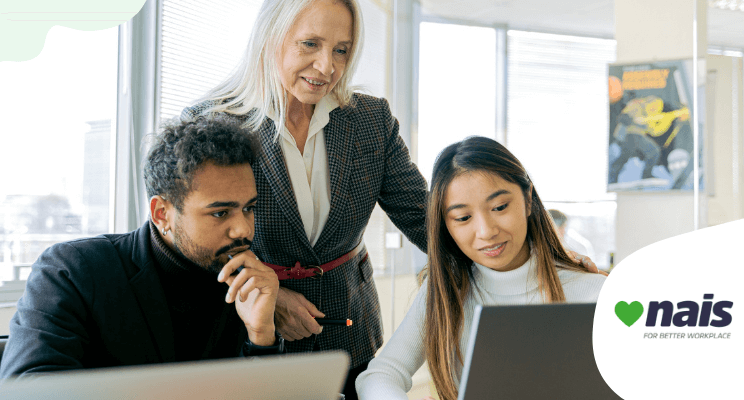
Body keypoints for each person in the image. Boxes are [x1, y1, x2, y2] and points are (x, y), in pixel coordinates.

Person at [182, 1, 598, 397]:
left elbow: (430, 218)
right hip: (247, 326)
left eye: (341, 50)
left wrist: (548, 260)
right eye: (310, 44)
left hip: (348, 327)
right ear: (270, 37)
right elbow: (193, 241)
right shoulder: (209, 123)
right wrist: (271, 296)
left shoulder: (368, 120)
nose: (327, 66)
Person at [0, 116, 283, 379]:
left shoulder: (245, 284)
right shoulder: (72, 271)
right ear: (162, 214)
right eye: (220, 213)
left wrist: (261, 335)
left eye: (249, 208)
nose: (244, 229)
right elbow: (29, 387)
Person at [355, 136, 607, 400]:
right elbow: (380, 375)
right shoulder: (445, 292)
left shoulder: (593, 293)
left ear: (528, 198)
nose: (486, 232)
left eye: (499, 207)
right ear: (446, 225)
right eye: (463, 218)